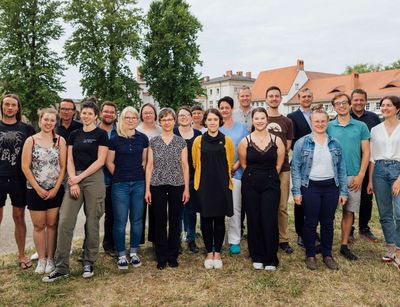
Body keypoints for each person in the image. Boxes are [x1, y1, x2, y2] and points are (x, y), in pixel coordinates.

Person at [43, 98, 108, 282]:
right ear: (81, 114)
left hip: (93, 178)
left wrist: (80, 178)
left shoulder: (101, 134)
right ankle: (62, 266)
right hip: (74, 178)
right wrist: (73, 181)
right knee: (64, 220)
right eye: (84, 113)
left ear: (96, 116)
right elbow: (69, 159)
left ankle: (88, 261)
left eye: (90, 113)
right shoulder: (74, 134)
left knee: (92, 220)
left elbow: (100, 161)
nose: (86, 116)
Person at [291, 105, 348, 270]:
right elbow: (296, 168)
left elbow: (341, 168)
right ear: (311, 122)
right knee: (310, 222)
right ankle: (310, 254)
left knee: (328, 222)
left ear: (328, 122)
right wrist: (297, 192)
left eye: (323, 121)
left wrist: (343, 191)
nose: (320, 124)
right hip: (310, 187)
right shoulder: (302, 143)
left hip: (331, 187)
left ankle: (327, 254)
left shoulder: (335, 143)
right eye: (317, 121)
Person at [238, 107, 285, 271]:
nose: (259, 121)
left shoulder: (277, 140)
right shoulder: (245, 141)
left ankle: (270, 257)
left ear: (267, 120)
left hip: (271, 183)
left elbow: (279, 164)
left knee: (269, 218)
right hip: (250, 182)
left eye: (262, 118)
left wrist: (269, 176)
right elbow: (244, 164)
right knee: (253, 218)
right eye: (256, 118)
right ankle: (256, 255)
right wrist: (253, 176)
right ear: (253, 121)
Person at [21, 108, 67, 274]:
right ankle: (41, 258)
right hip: (35, 190)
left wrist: (55, 188)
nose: (48, 123)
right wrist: (38, 188)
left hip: (54, 190)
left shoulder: (60, 141)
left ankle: (50, 259)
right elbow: (25, 167)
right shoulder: (31, 141)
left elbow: (63, 167)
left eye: (52, 120)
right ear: (40, 121)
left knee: (52, 224)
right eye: (45, 119)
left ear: (56, 122)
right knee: (39, 225)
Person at [145, 108, 190, 270]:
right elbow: (149, 166)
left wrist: (186, 189)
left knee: (175, 220)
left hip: (177, 184)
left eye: (170, 119)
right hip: (157, 184)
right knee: (160, 220)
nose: (167, 122)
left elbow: (185, 166)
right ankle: (161, 255)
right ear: (160, 122)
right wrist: (147, 189)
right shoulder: (154, 141)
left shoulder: (180, 142)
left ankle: (173, 254)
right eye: (164, 119)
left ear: (174, 121)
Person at [327, 93, 370, 261]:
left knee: (349, 211)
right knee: (328, 212)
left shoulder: (360, 126)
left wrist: (361, 175)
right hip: (331, 176)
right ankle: (326, 244)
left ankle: (344, 245)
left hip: (353, 175)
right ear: (334, 107)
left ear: (350, 104)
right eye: (338, 103)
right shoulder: (329, 126)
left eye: (344, 102)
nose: (342, 106)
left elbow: (366, 152)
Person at [106, 106, 148, 270]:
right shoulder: (115, 139)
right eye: (127, 118)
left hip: (139, 183)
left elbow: (144, 160)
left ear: (137, 119)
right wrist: (120, 175)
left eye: (134, 117)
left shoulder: (143, 138)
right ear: (122, 119)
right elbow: (109, 161)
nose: (131, 120)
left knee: (137, 220)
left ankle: (134, 252)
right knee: (120, 221)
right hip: (120, 185)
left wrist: (138, 175)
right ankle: (122, 254)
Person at [192, 108, 234, 269]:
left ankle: (218, 253)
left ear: (219, 122)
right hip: (204, 185)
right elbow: (196, 164)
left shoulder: (227, 141)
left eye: (215, 120)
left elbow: (229, 163)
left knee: (219, 220)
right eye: (209, 120)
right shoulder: (199, 141)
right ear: (205, 122)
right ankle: (209, 252)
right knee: (206, 219)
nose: (212, 122)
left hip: (222, 185)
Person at [0, 93, 35, 269]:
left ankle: (22, 256)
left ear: (18, 108)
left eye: (13, 105)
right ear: (2, 106)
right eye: (7, 104)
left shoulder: (26, 129)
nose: (10, 108)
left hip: (19, 179)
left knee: (18, 216)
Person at [368, 96, 400, 269]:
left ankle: (399, 250)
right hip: (379, 171)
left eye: (389, 105)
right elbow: (372, 157)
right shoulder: (375, 130)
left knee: (399, 212)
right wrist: (371, 181)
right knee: (385, 213)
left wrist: (399, 179)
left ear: (397, 108)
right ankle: (391, 248)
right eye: (382, 105)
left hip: (398, 170)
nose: (385, 108)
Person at [265, 86, 294, 254]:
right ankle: (268, 236)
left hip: (283, 168)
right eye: (271, 96)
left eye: (277, 96)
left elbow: (288, 145)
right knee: (266, 205)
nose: (274, 98)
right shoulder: (260, 118)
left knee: (282, 206)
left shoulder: (287, 121)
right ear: (266, 98)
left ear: (280, 99)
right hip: (263, 168)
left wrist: (278, 161)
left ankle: (283, 239)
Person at [350, 89, 381, 242]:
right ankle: (349, 229)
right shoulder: (344, 116)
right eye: (356, 100)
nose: (359, 102)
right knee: (350, 197)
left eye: (362, 100)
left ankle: (364, 228)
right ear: (351, 101)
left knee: (366, 197)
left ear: (366, 101)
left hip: (368, 163)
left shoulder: (374, 118)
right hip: (350, 164)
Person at [218, 96, 248, 254]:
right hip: (219, 175)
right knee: (220, 208)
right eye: (221, 108)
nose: (224, 110)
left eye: (226, 107)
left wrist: (236, 166)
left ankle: (234, 240)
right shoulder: (217, 129)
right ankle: (219, 239)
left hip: (236, 173)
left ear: (231, 109)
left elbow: (245, 149)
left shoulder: (241, 128)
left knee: (235, 207)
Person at [174, 106, 202, 253]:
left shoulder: (198, 135)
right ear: (177, 119)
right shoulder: (173, 133)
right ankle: (176, 239)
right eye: (181, 115)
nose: (184, 117)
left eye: (186, 115)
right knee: (177, 211)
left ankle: (191, 239)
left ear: (191, 117)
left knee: (190, 211)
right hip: (176, 179)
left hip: (193, 178)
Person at [287, 88, 313, 247]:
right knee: (300, 198)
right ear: (298, 98)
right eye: (303, 96)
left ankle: (311, 229)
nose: (306, 98)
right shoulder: (292, 117)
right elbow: (292, 141)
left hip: (318, 163)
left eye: (309, 96)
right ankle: (300, 232)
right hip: (301, 162)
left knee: (314, 198)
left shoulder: (317, 115)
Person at [137, 103, 162, 245]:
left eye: (150, 112)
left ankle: (154, 239)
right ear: (141, 115)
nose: (148, 115)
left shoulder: (160, 130)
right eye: (145, 113)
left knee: (156, 208)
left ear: (155, 114)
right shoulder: (136, 130)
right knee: (139, 209)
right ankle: (138, 240)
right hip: (140, 173)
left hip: (157, 174)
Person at [98, 101, 118, 255]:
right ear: (100, 113)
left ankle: (109, 245)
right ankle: (87, 247)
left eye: (111, 112)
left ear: (115, 115)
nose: (108, 114)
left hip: (114, 180)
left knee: (112, 214)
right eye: (106, 111)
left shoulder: (119, 132)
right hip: (96, 180)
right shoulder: (93, 131)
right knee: (92, 215)